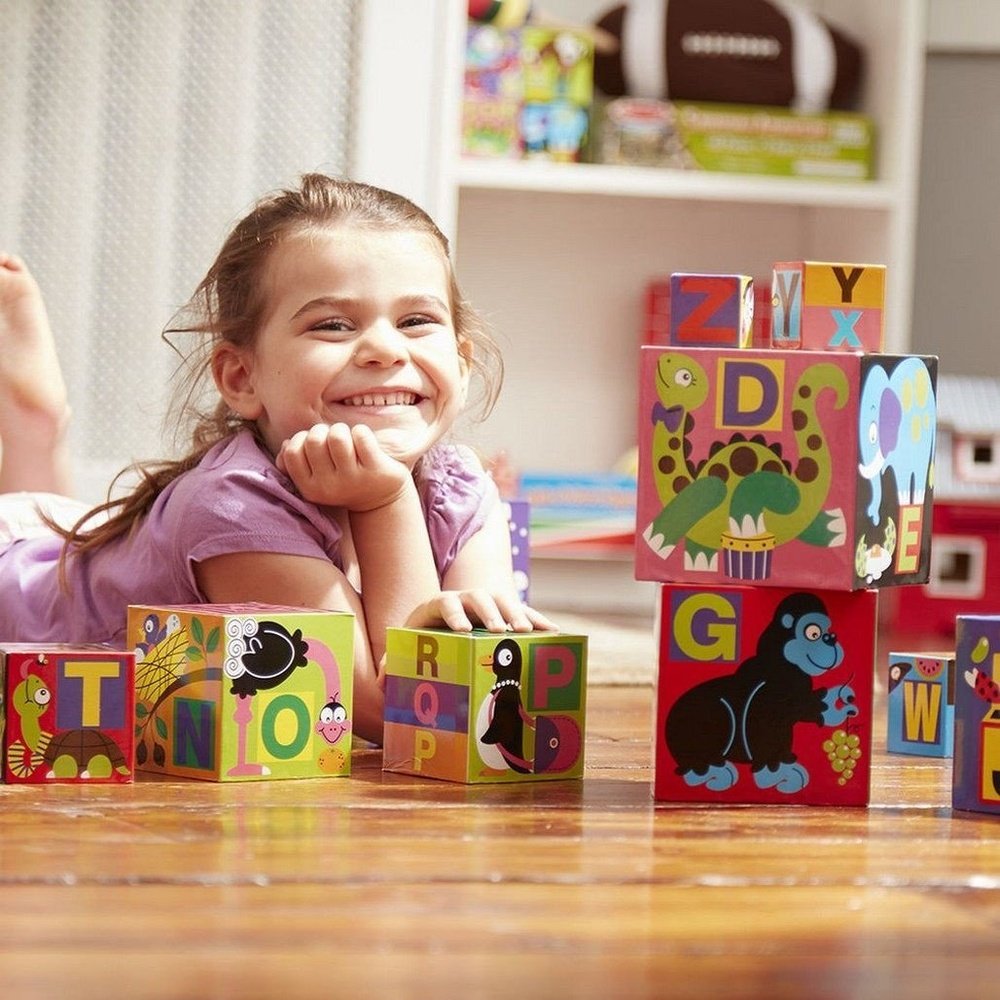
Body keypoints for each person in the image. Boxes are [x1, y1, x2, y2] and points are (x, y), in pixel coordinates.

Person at [0, 176, 555, 745]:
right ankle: (36, 422)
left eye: (416, 321)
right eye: (333, 325)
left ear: (461, 364)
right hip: (15, 590)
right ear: (242, 378)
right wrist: (383, 502)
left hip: (72, 546)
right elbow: (396, 716)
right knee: (50, 547)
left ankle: (33, 423)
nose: (387, 349)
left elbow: (483, 684)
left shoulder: (461, 487)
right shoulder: (233, 508)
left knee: (74, 528)